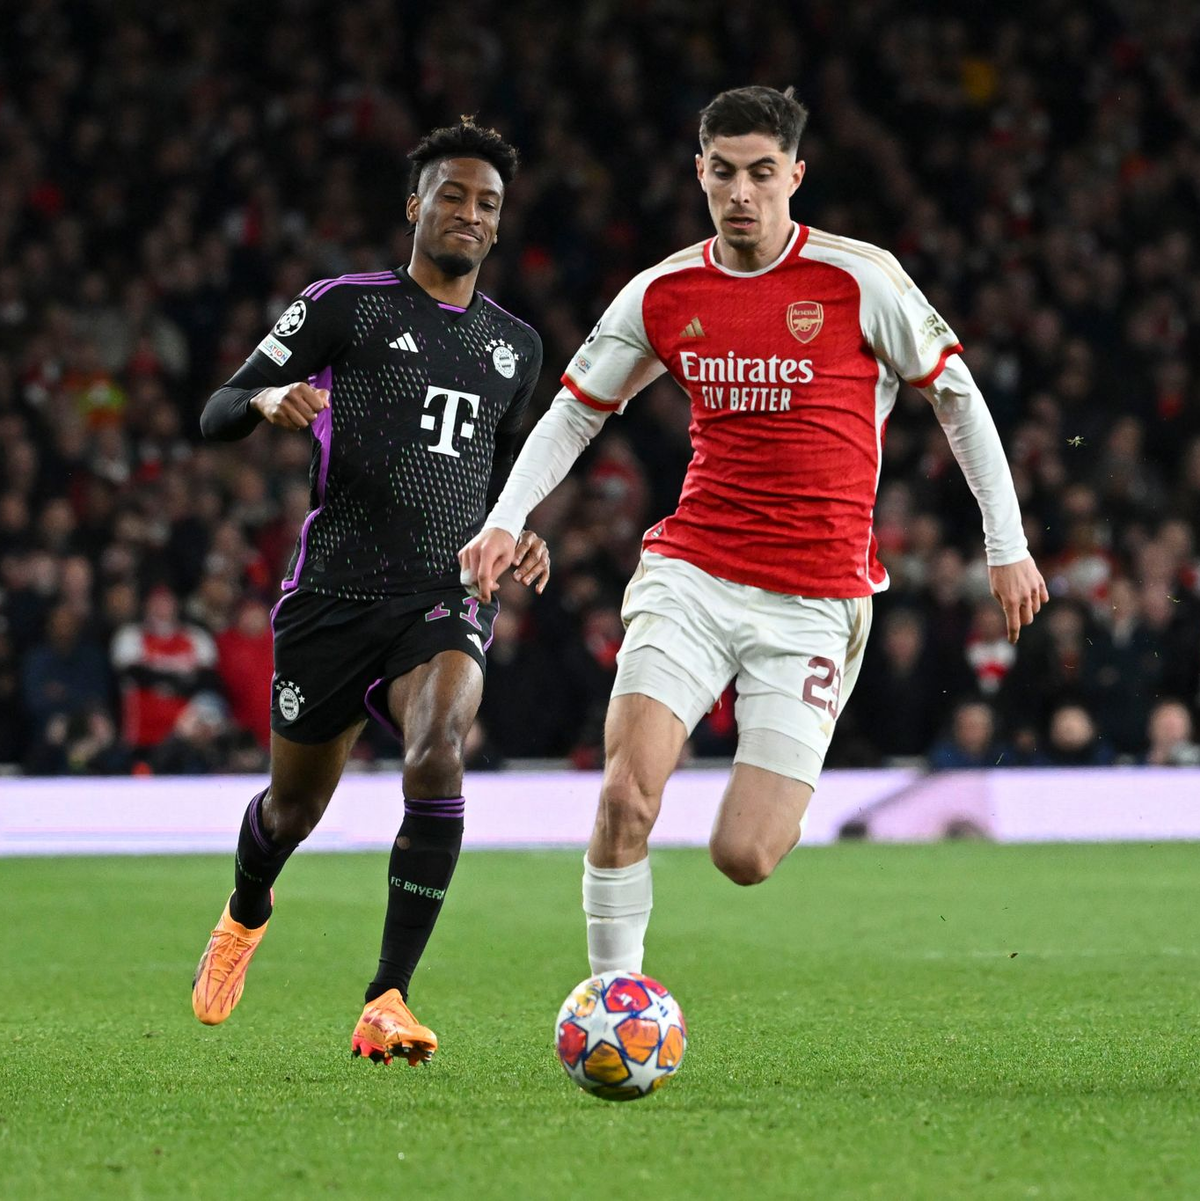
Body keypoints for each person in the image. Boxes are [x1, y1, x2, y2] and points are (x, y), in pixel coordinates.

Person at [460, 86, 1047, 976]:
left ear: (795, 177)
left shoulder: (861, 280)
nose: (742, 192)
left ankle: (771, 789)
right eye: (725, 172)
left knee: (746, 853)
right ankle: (613, 997)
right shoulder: (664, 292)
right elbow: (576, 410)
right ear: (699, 172)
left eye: (762, 173)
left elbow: (958, 400)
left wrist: (1006, 544)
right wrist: (507, 518)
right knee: (625, 795)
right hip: (692, 574)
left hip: (815, 601)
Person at [191, 120, 549, 1065]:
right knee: (292, 811)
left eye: (487, 203)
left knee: (438, 750)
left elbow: (504, 475)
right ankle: (245, 910)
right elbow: (217, 408)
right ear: (415, 205)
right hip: (334, 594)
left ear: (499, 223)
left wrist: (520, 529)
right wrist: (266, 399)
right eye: (452, 195)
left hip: (443, 592)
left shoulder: (516, 347)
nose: (469, 213)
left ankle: (387, 996)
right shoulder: (342, 307)